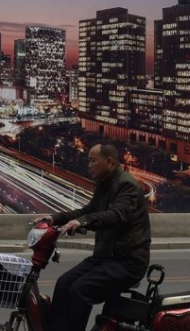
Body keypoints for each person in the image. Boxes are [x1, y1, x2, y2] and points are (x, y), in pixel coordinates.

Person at [36, 142, 151, 331]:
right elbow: (87, 211)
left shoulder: (126, 184)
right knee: (64, 283)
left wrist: (84, 221)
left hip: (127, 261)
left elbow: (118, 215)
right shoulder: (104, 185)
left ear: (110, 161)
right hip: (105, 258)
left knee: (80, 290)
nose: (88, 165)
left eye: (92, 161)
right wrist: (54, 219)